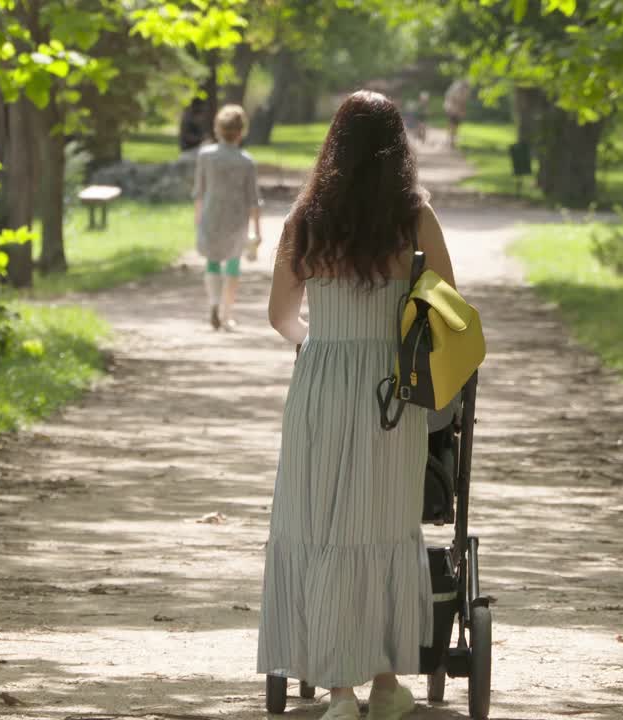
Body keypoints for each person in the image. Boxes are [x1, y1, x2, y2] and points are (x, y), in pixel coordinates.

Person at [259, 90, 456, 720]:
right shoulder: (415, 219)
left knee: (320, 524)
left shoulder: (305, 221)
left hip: (321, 382)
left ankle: (336, 691)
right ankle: (385, 681)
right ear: (397, 149)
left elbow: (280, 317)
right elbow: (448, 306)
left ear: (333, 146)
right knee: (380, 526)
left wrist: (318, 346)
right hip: (390, 391)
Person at [193, 104, 262, 331]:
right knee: (233, 264)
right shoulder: (246, 161)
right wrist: (257, 230)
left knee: (212, 261)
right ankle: (226, 314)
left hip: (211, 214)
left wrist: (197, 218)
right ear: (241, 131)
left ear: (217, 129)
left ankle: (213, 302)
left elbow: (199, 191)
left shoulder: (205, 156)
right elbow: (253, 199)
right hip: (236, 219)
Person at [442, 79, 470, 149]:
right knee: (453, 125)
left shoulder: (463, 91)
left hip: (455, 110)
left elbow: (463, 103)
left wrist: (462, 111)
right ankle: (451, 141)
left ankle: (451, 140)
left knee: (455, 126)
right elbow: (455, 100)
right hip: (452, 109)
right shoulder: (457, 90)